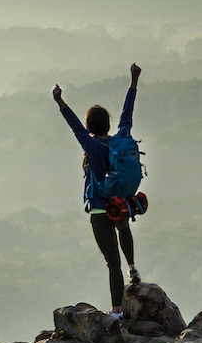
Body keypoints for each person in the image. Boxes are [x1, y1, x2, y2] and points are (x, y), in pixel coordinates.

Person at [52, 63, 142, 318]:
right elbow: (127, 114)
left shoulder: (91, 147)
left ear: (90, 126)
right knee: (124, 229)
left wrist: (60, 101)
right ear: (107, 124)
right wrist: (133, 81)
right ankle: (133, 266)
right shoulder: (120, 138)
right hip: (122, 204)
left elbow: (74, 126)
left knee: (112, 263)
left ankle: (116, 313)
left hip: (102, 209)